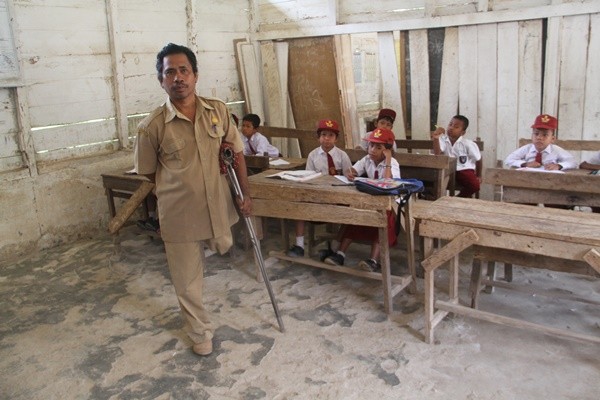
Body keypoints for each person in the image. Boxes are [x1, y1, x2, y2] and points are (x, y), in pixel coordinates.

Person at [134, 43, 252, 357]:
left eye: (183, 70)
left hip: (218, 207)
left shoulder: (218, 111)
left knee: (223, 246)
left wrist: (246, 194)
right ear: (161, 80)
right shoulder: (151, 127)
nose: (178, 77)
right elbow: (147, 174)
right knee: (187, 280)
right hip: (180, 215)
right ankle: (199, 331)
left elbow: (236, 153)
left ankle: (212, 244)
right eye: (169, 72)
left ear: (195, 75)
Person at [324, 128, 400, 272]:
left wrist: (388, 160)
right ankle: (340, 254)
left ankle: (373, 260)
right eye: (371, 145)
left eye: (379, 147)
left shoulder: (393, 163)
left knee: (383, 221)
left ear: (387, 150)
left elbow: (389, 182)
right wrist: (350, 173)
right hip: (370, 201)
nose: (372, 150)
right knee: (355, 217)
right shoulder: (367, 159)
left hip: (388, 204)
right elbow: (352, 170)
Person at [286, 119, 352, 258]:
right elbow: (308, 177)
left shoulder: (342, 156)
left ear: (336, 139)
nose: (327, 139)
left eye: (331, 135)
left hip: (337, 196)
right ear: (318, 137)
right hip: (317, 195)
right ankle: (299, 245)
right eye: (323, 135)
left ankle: (334, 248)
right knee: (299, 206)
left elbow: (348, 178)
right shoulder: (313, 155)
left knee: (349, 213)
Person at [431, 115, 481, 198]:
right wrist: (436, 138)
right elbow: (437, 153)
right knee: (430, 180)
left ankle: (456, 199)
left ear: (463, 132)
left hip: (463, 170)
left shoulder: (467, 144)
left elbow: (479, 158)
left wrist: (479, 175)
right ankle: (432, 198)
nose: (451, 128)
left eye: (456, 127)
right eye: (450, 124)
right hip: (447, 170)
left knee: (475, 185)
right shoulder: (443, 140)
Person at [504, 114, 577, 171]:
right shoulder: (527, 148)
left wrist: (559, 166)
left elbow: (573, 162)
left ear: (552, 139)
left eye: (545, 135)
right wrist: (525, 164)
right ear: (531, 136)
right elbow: (508, 159)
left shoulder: (556, 150)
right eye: (536, 134)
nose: (539, 138)